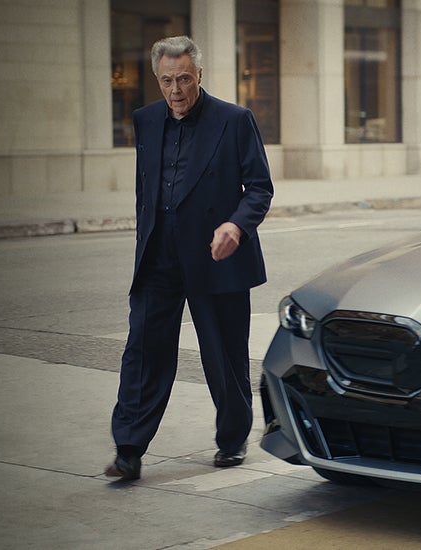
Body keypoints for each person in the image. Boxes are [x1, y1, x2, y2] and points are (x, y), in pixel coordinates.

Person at [103, 35, 274, 481]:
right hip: (159, 254)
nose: (175, 90)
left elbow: (259, 187)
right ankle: (128, 449)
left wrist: (236, 226)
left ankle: (232, 439)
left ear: (199, 74)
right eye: (166, 81)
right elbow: (146, 190)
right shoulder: (146, 120)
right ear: (157, 79)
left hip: (217, 254)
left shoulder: (234, 120)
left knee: (224, 354)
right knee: (143, 350)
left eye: (183, 79)